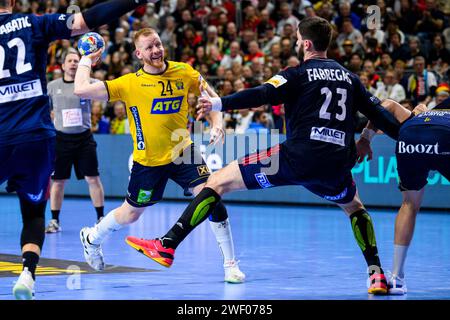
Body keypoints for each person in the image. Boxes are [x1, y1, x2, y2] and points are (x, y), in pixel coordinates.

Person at [125, 17, 403, 295]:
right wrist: (409, 137)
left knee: (217, 182)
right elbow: (384, 118)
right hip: (337, 164)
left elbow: (262, 94)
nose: (295, 42)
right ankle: (376, 275)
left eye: (297, 38)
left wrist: (219, 103)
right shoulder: (350, 78)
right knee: (355, 207)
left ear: (305, 43)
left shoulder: (297, 74)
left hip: (296, 159)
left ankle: (168, 244)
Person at [0, 0, 161, 300]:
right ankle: (27, 274)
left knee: (85, 180)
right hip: (35, 137)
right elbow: (85, 20)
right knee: (33, 212)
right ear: (12, 2)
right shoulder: (34, 23)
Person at [74, 28, 245, 284]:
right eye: (149, 47)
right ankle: (92, 237)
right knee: (131, 214)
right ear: (138, 53)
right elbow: (81, 89)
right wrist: (87, 59)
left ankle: (230, 265)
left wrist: (217, 122)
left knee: (212, 198)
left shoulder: (184, 72)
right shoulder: (128, 83)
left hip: (183, 151)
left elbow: (212, 99)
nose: (156, 51)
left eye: (158, 44)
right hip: (148, 162)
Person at [356, 98, 449, 295]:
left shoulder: (420, 114)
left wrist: (365, 138)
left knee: (409, 204)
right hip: (444, 136)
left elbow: (387, 104)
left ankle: (397, 279)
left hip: (410, 136)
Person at [46, 49, 105, 234]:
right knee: (58, 181)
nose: (73, 63)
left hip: (84, 139)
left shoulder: (89, 84)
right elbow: (44, 110)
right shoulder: (52, 86)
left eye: (76, 61)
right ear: (63, 65)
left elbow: (106, 89)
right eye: (70, 60)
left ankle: (101, 218)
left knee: (93, 178)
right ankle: (54, 221)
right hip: (61, 140)